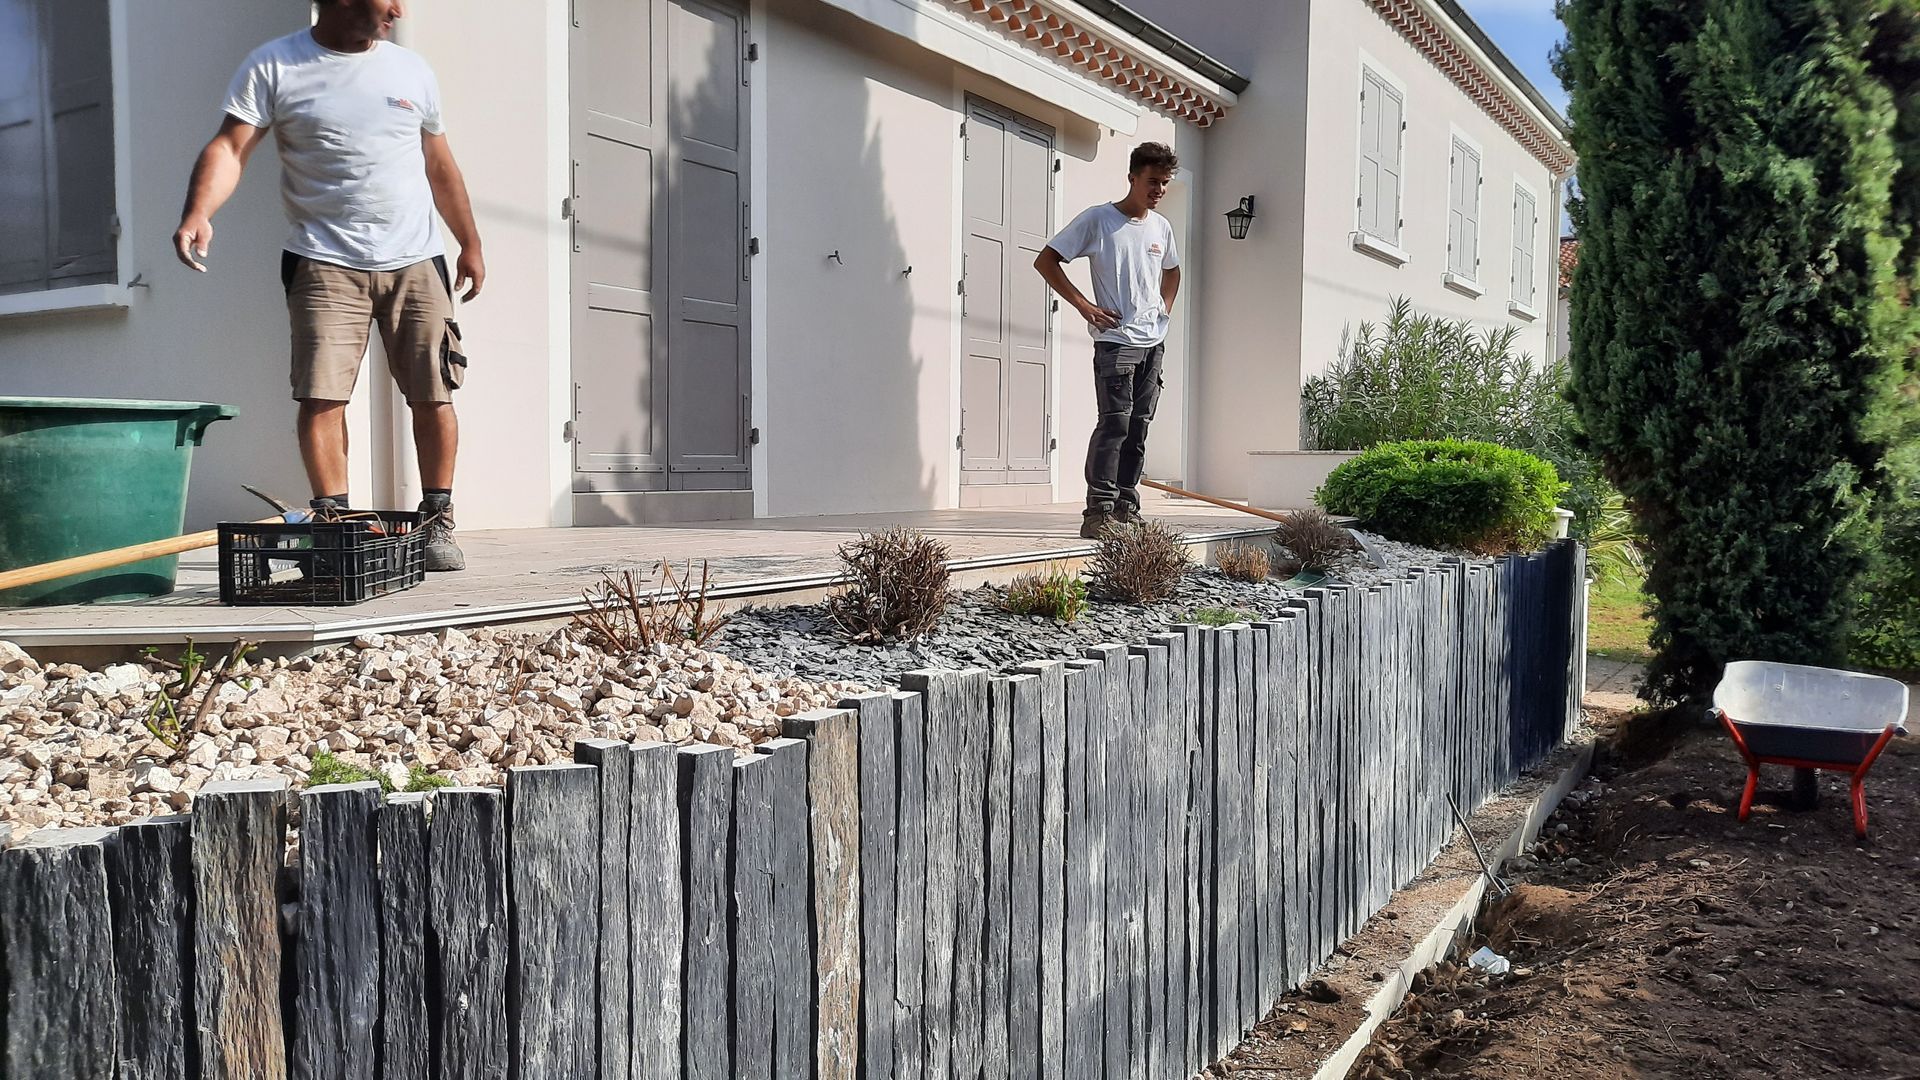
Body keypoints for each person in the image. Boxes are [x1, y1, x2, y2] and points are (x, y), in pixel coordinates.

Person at [173, 0, 483, 571]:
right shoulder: (275, 66)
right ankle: (334, 530)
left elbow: (439, 163)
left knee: (434, 393)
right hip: (322, 263)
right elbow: (230, 147)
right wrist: (199, 211)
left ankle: (439, 523)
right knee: (321, 398)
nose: (399, 8)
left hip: (417, 261)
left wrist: (470, 241)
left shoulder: (410, 69)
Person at [1034, 142, 1183, 540]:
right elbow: (1046, 261)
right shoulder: (1099, 220)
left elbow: (1172, 272)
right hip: (1116, 341)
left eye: (1165, 184)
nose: (1159, 190)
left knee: (1139, 426)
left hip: (1153, 341)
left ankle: (1126, 507)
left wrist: (1163, 310)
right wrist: (1085, 305)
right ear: (1132, 177)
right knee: (1114, 424)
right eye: (1153, 182)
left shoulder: (1161, 227)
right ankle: (1098, 511)